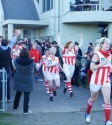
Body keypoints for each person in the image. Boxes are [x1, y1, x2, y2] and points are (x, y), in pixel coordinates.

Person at [85, 37, 112, 125]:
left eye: (109, 43)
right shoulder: (97, 54)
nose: (108, 45)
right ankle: (87, 112)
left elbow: (110, 69)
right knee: (93, 99)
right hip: (96, 80)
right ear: (101, 44)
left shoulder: (110, 55)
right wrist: (102, 64)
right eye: (106, 43)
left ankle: (107, 121)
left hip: (106, 80)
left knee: (107, 100)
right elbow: (92, 68)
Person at [57, 33, 83, 97]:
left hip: (72, 66)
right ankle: (71, 92)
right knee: (68, 77)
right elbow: (59, 44)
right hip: (66, 66)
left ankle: (66, 87)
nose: (72, 46)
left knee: (69, 79)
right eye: (71, 45)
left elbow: (81, 44)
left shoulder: (74, 50)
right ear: (68, 45)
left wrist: (81, 37)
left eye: (73, 45)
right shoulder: (64, 50)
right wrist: (58, 36)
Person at [13, 48, 36, 114]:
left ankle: (15, 107)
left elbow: (14, 66)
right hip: (28, 79)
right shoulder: (31, 61)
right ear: (28, 53)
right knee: (27, 95)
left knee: (18, 93)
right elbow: (35, 67)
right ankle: (25, 110)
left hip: (19, 78)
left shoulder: (16, 60)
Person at [0, 31, 19, 103]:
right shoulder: (9, 48)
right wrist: (16, 36)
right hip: (7, 68)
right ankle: (7, 98)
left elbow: (11, 43)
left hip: (0, 69)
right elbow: (12, 43)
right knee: (7, 83)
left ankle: (1, 98)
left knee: (1, 83)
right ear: (7, 43)